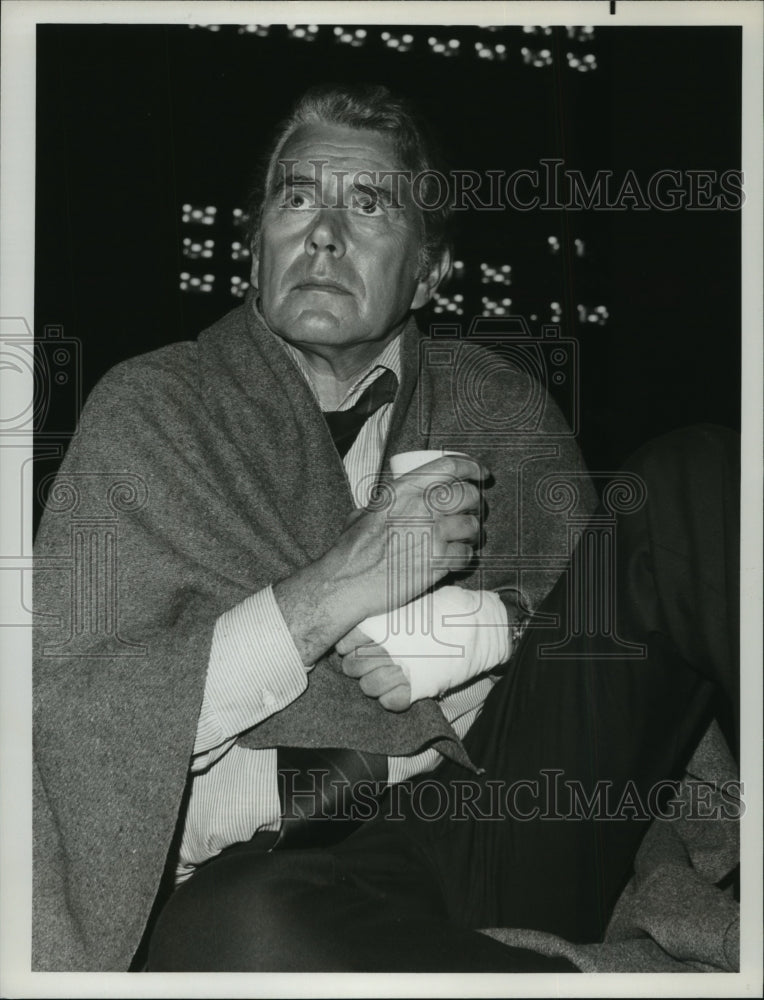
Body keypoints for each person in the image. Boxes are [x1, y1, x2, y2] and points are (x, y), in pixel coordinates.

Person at [32, 84, 739, 973]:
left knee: (699, 477)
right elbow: (68, 715)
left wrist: (498, 628)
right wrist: (333, 590)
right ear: (256, 244)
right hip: (261, 876)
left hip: (504, 825)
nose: (322, 233)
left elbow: (607, 683)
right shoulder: (154, 412)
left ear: (428, 271)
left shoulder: (499, 407)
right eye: (296, 199)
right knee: (243, 932)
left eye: (367, 206)